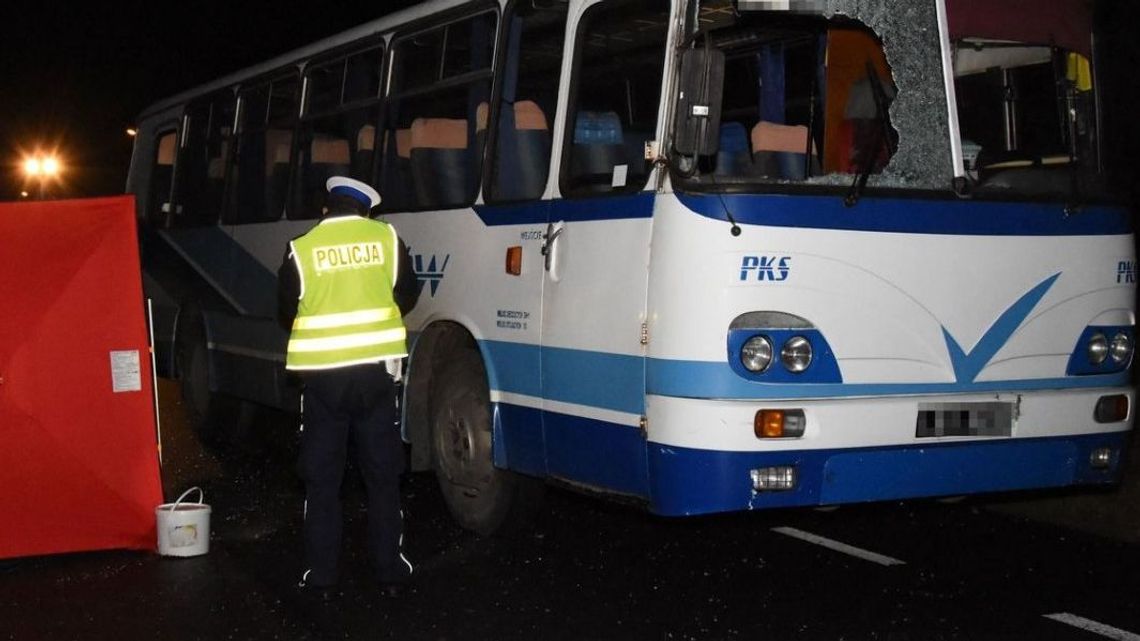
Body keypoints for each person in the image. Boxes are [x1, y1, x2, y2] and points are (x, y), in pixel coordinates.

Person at [277, 176, 422, 603]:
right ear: (365, 210)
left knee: (323, 481)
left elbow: (286, 308)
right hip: (377, 377)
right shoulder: (386, 238)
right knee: (383, 478)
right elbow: (408, 295)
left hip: (322, 381)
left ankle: (321, 577)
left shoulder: (301, 246)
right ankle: (391, 573)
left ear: (328, 207)